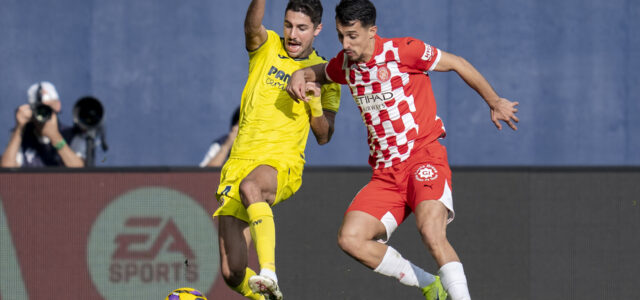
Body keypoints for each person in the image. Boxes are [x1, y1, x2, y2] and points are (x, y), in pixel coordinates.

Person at [286, 0, 519, 299]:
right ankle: (429, 285)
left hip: (423, 157)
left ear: (372, 31)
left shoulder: (403, 50)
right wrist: (300, 74)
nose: (345, 44)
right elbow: (317, 72)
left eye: (352, 36)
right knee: (350, 239)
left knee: (431, 233)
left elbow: (457, 62)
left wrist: (494, 101)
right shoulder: (345, 65)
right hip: (386, 176)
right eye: (340, 35)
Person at [212, 1, 341, 299]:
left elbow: (324, 135)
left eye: (302, 28)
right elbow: (251, 27)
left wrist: (315, 102)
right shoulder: (267, 45)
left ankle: (269, 272)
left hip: (281, 162)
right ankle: (264, 296)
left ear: (318, 30)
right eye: (288, 25)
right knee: (232, 272)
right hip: (239, 161)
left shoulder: (325, 74)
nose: (293, 34)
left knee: (252, 187)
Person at [1, 81, 85, 168]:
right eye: (39, 108)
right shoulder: (21, 136)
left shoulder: (72, 135)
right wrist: (19, 128)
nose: (44, 113)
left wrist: (55, 137)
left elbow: (80, 172)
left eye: (48, 107)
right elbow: (6, 171)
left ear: (58, 106)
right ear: (31, 110)